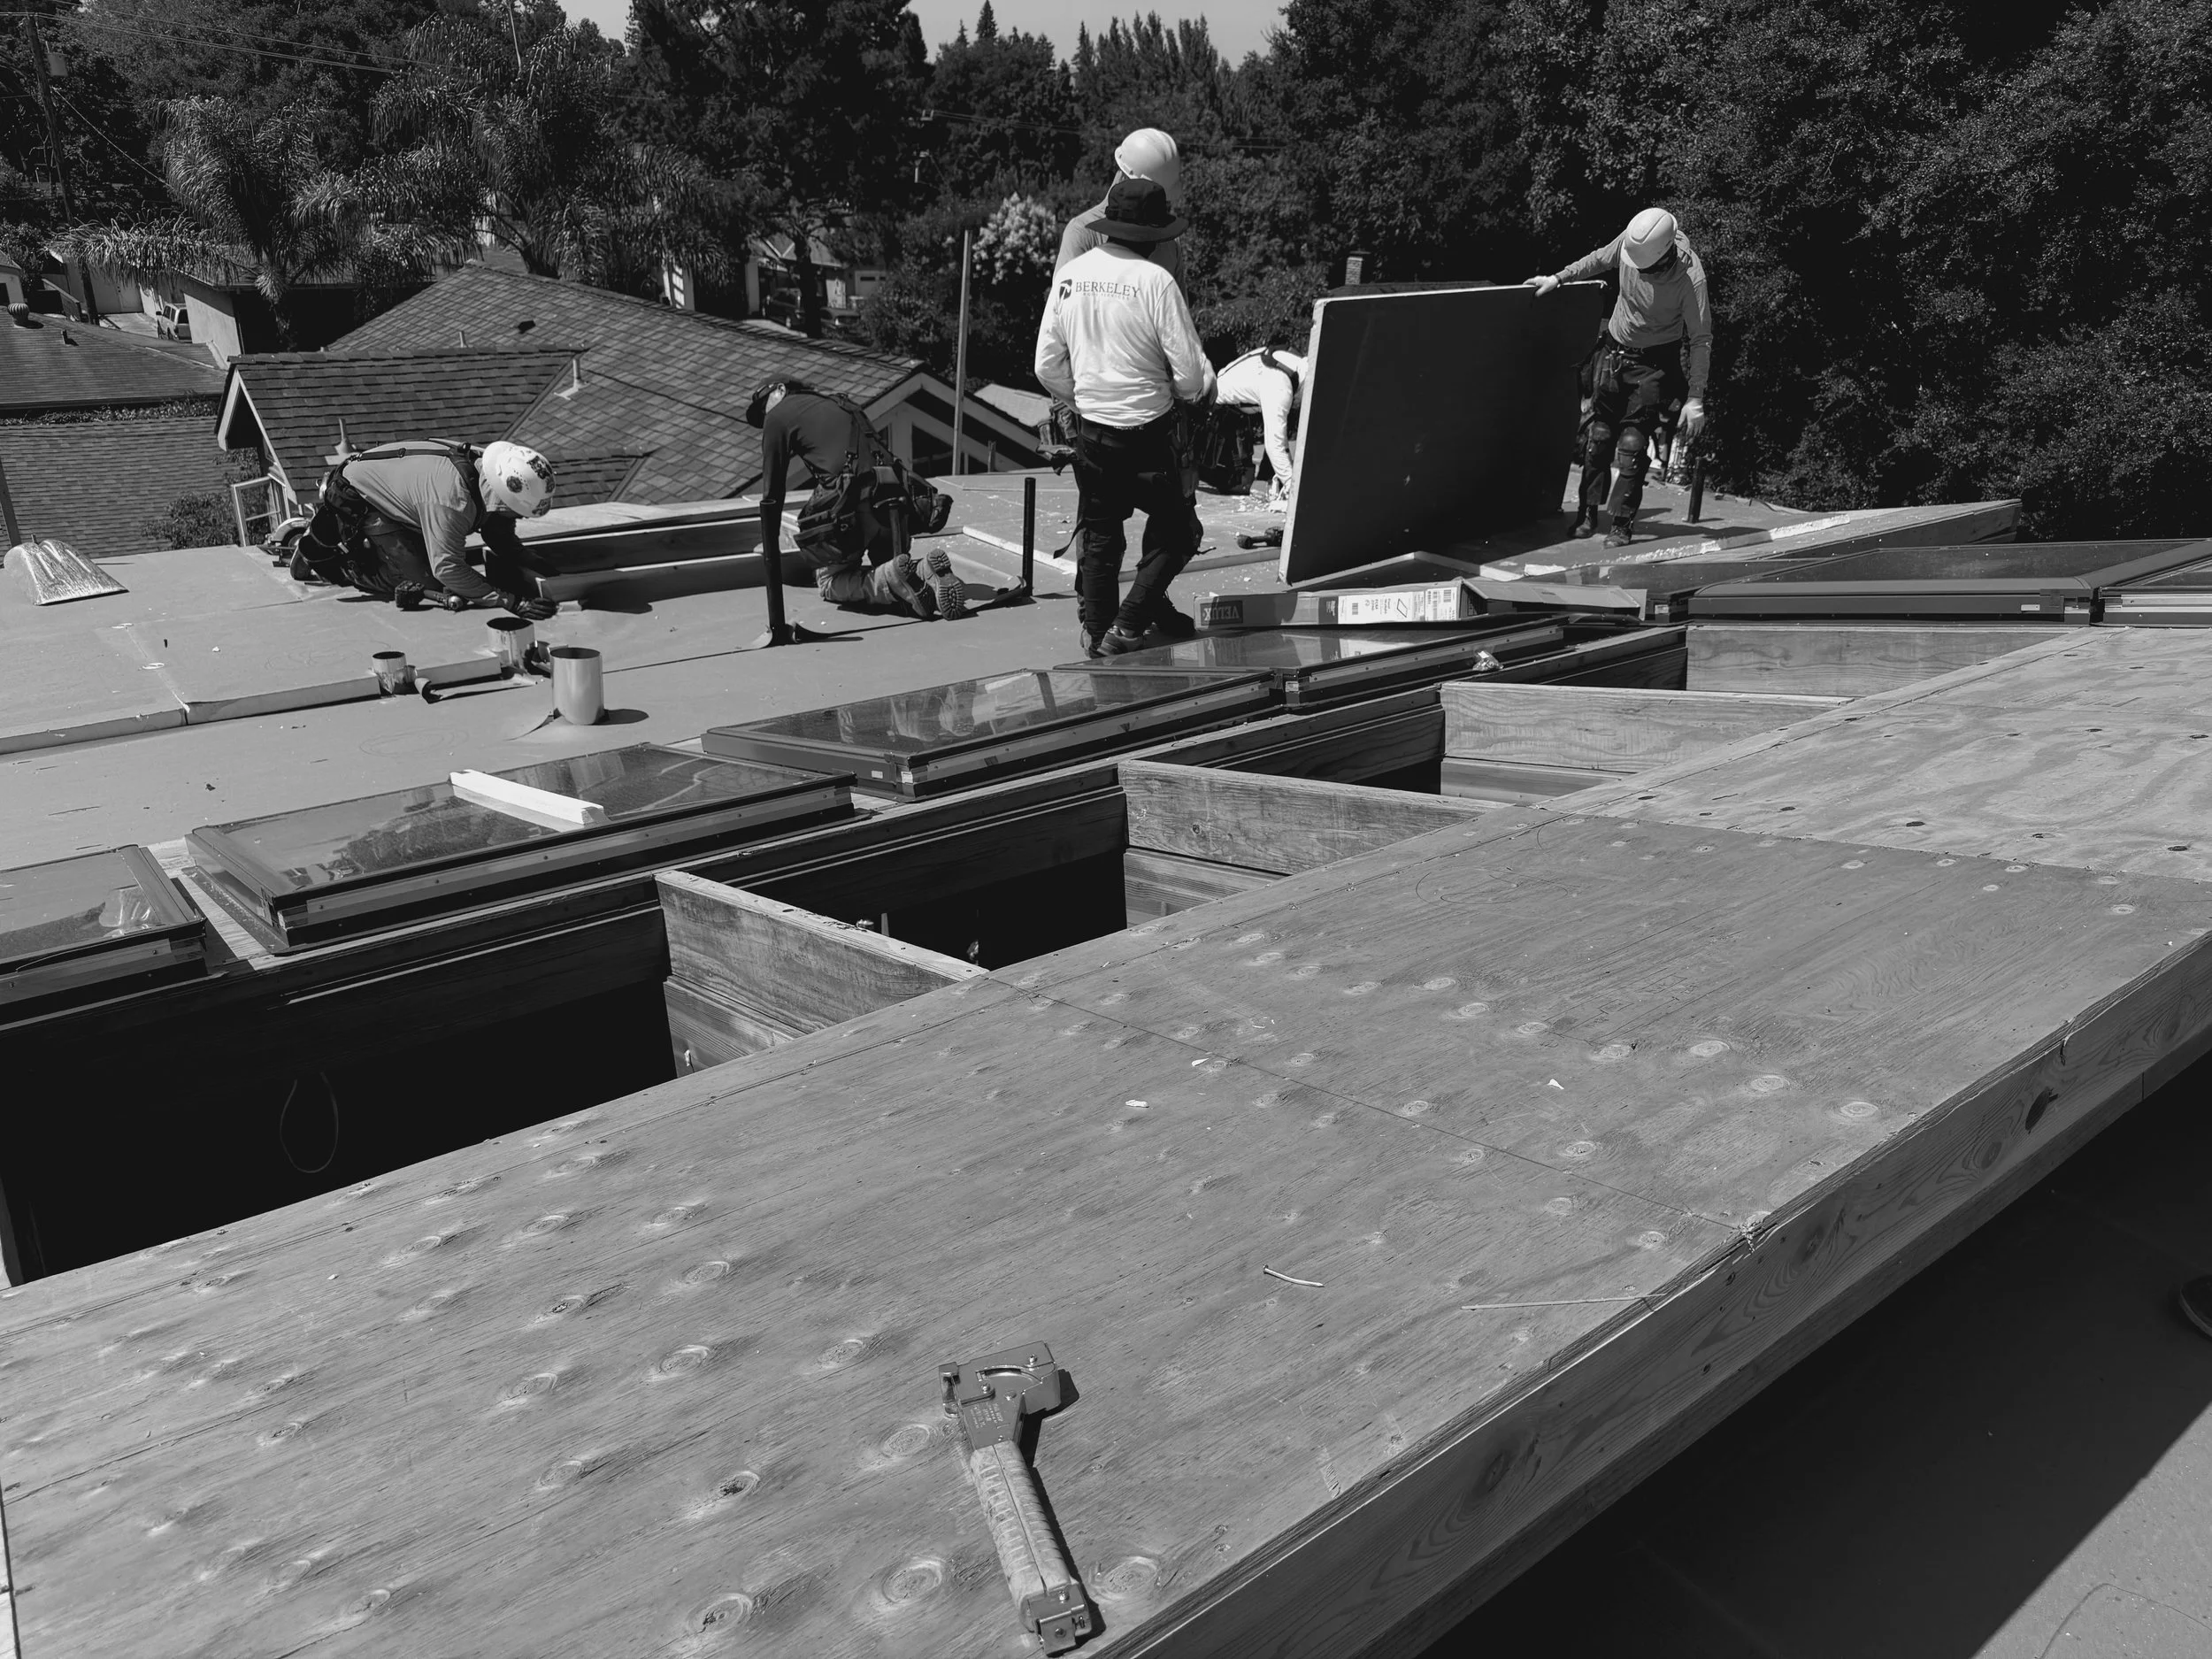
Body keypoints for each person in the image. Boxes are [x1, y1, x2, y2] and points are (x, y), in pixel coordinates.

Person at [1034, 176, 1216, 657]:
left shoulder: (1070, 277)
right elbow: (1193, 380)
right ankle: (1129, 625)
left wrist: (1083, 401)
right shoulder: (1156, 282)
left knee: (1100, 535)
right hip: (1149, 438)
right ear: (1155, 235)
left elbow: (1045, 366)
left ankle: (1096, 633)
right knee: (1179, 532)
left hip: (1092, 437)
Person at [1525, 206, 1712, 548]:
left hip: (1653, 364)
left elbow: (1700, 339)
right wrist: (1559, 278)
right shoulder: (1633, 244)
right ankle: (1587, 514)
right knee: (1598, 438)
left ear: (1664, 256)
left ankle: (1622, 524)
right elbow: (1599, 259)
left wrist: (1695, 397)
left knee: (1632, 445)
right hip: (1613, 354)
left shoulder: (1689, 278)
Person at [746, 379, 963, 620]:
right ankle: (925, 570)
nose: (765, 416)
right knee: (894, 567)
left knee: (830, 582)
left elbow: (772, 494)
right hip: (897, 505)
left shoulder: (778, 415)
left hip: (856, 509)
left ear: (781, 390)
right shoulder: (842, 403)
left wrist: (770, 542)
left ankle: (891, 580)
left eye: (764, 406)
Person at [292, 439, 557, 618]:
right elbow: (448, 569)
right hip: (360, 498)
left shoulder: (493, 471)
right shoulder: (453, 501)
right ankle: (332, 561)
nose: (521, 519)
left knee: (456, 565)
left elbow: (498, 530)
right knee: (428, 581)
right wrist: (513, 603)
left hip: (405, 492)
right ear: (502, 498)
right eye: (519, 511)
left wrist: (530, 561)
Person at [1213, 345, 1306, 504]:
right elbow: (1275, 445)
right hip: (1220, 410)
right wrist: (1296, 490)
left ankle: (1266, 477)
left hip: (1240, 406)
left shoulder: (1296, 363)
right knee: (1242, 483)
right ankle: (1201, 469)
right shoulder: (1280, 386)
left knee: (1284, 418)